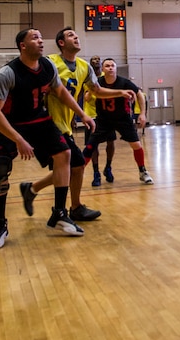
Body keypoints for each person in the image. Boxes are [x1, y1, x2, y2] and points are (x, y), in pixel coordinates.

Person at [0, 28, 97, 250]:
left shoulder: (48, 66)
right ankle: (0, 225)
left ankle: (59, 213)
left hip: (39, 120)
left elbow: (61, 92)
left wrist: (82, 114)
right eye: (34, 38)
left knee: (64, 154)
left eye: (40, 36)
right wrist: (18, 139)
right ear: (23, 46)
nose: (40, 40)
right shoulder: (8, 73)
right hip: (11, 123)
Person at [19, 29, 130, 222]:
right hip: (46, 124)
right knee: (75, 165)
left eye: (76, 35)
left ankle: (33, 189)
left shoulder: (83, 66)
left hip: (65, 124)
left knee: (71, 167)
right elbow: (46, 88)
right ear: (61, 42)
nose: (76, 37)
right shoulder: (50, 62)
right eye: (71, 35)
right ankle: (69, 209)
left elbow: (96, 90)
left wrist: (119, 93)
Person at [83, 58, 153, 184]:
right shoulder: (98, 82)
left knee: (136, 145)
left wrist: (142, 113)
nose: (110, 68)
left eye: (112, 66)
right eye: (107, 66)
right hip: (103, 119)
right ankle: (79, 171)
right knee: (90, 145)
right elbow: (88, 96)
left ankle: (143, 171)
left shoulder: (124, 82)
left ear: (116, 68)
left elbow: (139, 95)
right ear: (103, 69)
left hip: (122, 119)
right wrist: (88, 94)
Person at [84, 55, 117, 187]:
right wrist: (94, 89)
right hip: (91, 115)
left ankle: (108, 167)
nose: (96, 61)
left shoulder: (106, 77)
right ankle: (96, 172)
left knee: (111, 142)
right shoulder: (88, 77)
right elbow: (86, 98)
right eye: (94, 60)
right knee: (93, 146)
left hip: (106, 115)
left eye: (98, 60)